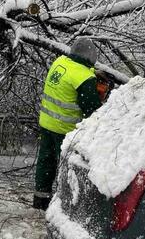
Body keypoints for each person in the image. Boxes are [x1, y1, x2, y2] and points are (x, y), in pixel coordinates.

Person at [33, 38, 102, 210]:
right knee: (67, 168)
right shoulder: (84, 77)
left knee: (46, 162)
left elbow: (71, 78)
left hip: (47, 123)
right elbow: (92, 109)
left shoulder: (60, 61)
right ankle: (64, 204)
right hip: (65, 130)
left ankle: (41, 200)